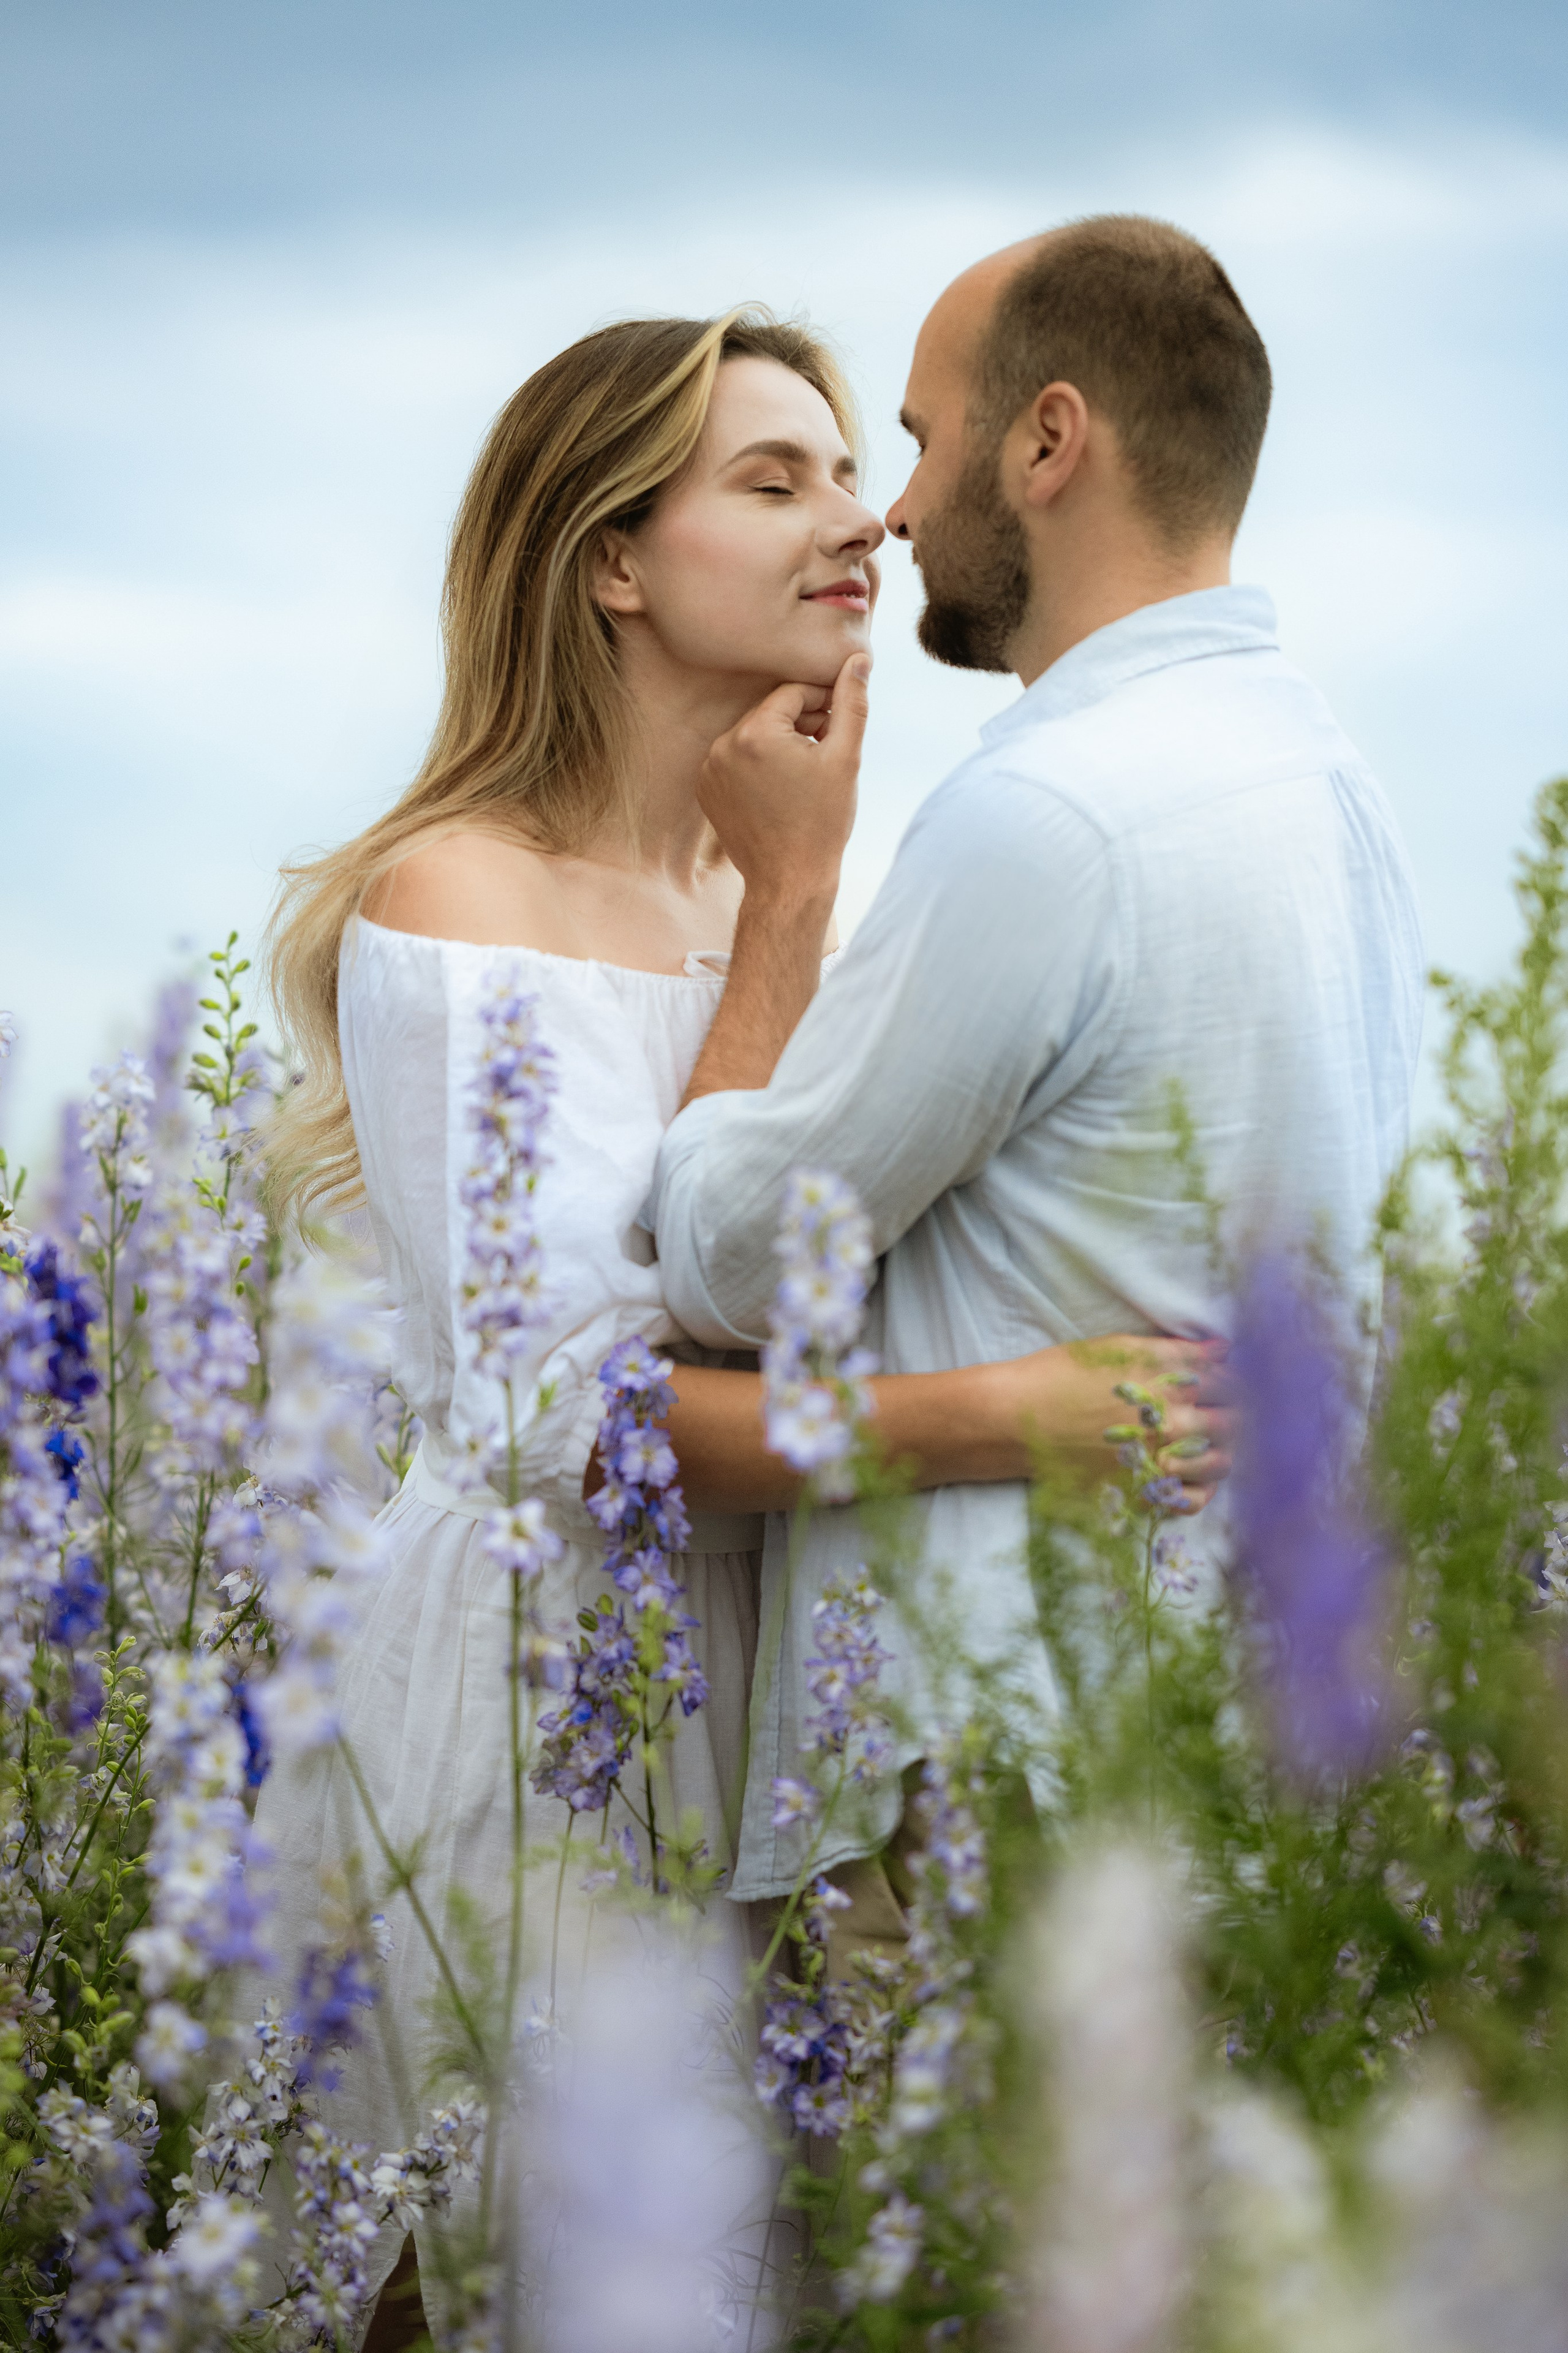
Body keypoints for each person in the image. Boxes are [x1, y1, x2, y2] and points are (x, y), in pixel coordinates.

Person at [257, 307, 1234, 2347]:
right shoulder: (456, 895)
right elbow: (579, 1417)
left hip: (778, 1658)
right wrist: (1025, 1416)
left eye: (847, 476)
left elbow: (805, 1278)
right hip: (542, 1679)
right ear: (614, 556)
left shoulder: (779, 878)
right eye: (770, 483)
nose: (861, 523)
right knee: (523, 2252)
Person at [647, 216, 1427, 1917]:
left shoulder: (1047, 814)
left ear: (1051, 440)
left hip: (987, 1775)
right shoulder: (1340, 793)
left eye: (922, 441)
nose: (901, 509)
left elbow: (733, 1259)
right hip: (1240, 1748)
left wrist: (786, 893)